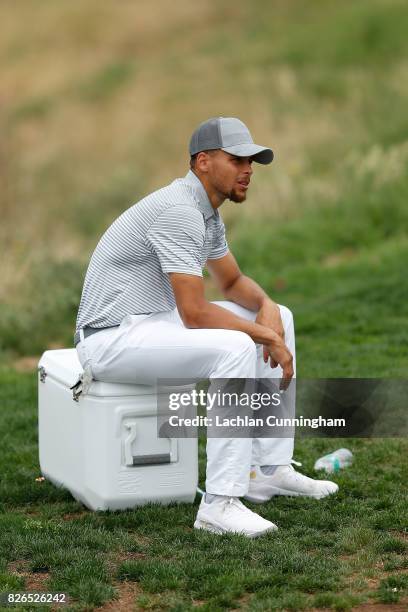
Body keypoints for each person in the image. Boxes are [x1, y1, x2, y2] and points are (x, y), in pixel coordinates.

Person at [74, 117, 338, 538]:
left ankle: (267, 470)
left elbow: (231, 283)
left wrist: (267, 308)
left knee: (281, 315)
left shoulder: (206, 212)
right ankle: (219, 504)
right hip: (110, 338)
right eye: (237, 159)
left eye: (252, 161)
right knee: (235, 347)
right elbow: (195, 312)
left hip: (152, 323)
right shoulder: (180, 210)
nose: (248, 169)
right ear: (203, 162)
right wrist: (263, 336)